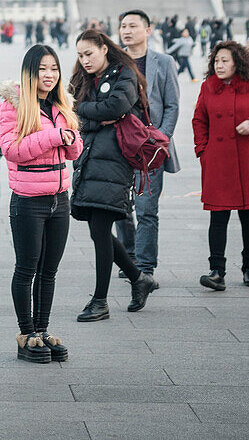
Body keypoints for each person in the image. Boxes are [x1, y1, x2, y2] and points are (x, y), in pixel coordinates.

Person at [0, 46, 82, 361]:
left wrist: (71, 139)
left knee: (49, 270)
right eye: (42, 69)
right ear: (30, 72)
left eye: (54, 69)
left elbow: (74, 149)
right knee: (26, 268)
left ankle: (43, 330)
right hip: (28, 201)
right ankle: (26, 333)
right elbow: (12, 150)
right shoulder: (13, 105)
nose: (49, 75)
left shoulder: (62, 104)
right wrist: (55, 137)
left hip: (60, 199)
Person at [69, 29, 156, 321]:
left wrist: (84, 111)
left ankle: (100, 300)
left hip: (115, 161)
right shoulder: (82, 78)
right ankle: (139, 279)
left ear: (104, 49)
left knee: (101, 228)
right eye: (80, 56)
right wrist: (96, 116)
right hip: (89, 159)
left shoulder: (124, 73)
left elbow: (116, 107)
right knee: (98, 230)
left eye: (89, 54)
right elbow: (73, 115)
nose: (84, 61)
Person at [192, 41, 249, 290]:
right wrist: (203, 150)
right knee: (218, 216)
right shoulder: (208, 87)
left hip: (247, 159)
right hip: (218, 161)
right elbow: (199, 120)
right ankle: (216, 270)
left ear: (238, 63)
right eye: (216, 61)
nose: (219, 66)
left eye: (225, 61)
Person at [115, 10, 180, 285]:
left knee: (146, 209)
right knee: (119, 207)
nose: (126, 31)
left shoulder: (163, 63)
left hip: (150, 150)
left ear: (148, 30)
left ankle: (145, 265)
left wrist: (160, 139)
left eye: (132, 25)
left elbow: (172, 105)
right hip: (119, 147)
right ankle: (128, 256)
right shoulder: (114, 62)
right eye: (122, 26)